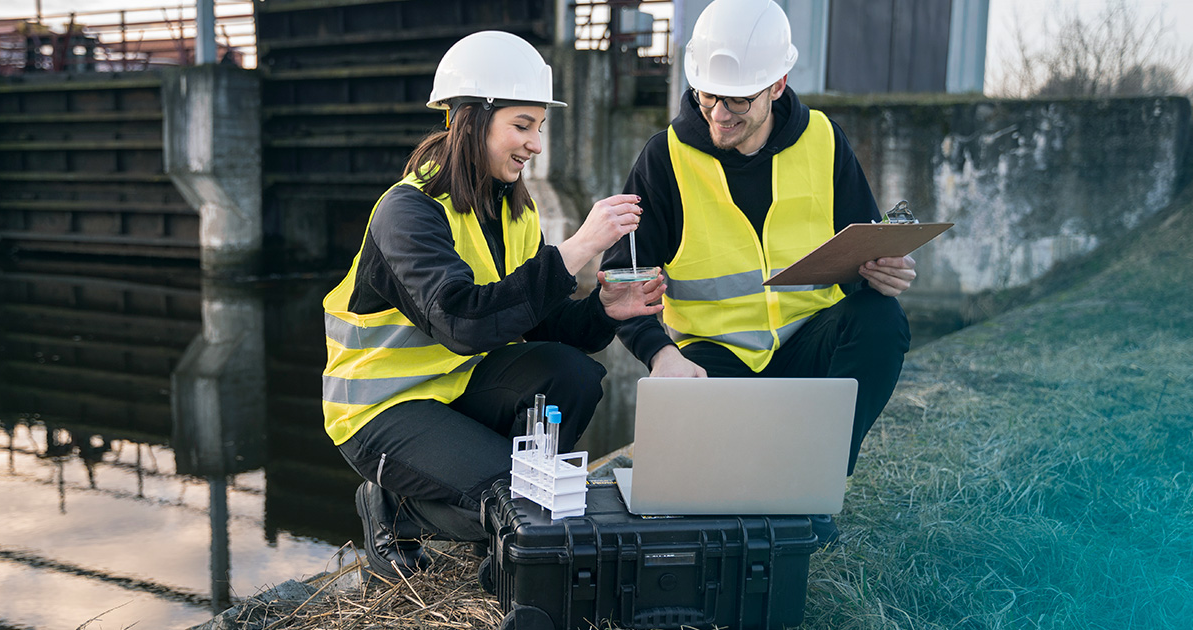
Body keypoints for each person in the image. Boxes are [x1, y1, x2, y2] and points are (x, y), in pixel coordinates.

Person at [323, 30, 665, 580]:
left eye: (540, 128)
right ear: (471, 120)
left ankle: (508, 533)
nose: (535, 144)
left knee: (573, 373)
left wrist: (606, 310)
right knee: (515, 499)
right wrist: (577, 247)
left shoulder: (513, 213)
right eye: (522, 126)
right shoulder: (407, 213)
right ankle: (393, 508)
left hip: (456, 390)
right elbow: (461, 321)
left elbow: (542, 324)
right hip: (380, 411)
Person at [601, 0, 916, 546]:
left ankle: (811, 486)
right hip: (712, 359)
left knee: (881, 320)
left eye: (739, 100)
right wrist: (661, 354)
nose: (719, 114)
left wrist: (882, 271)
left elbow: (862, 248)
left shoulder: (825, 141)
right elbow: (623, 279)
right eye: (708, 95)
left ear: (778, 84)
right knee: (707, 498)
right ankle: (761, 493)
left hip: (807, 344)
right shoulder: (664, 159)